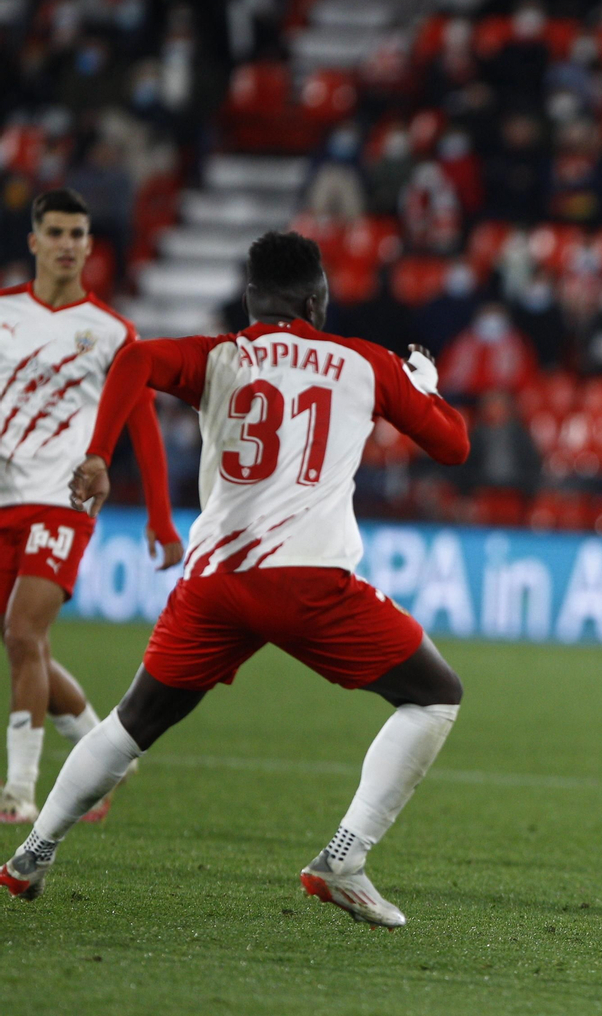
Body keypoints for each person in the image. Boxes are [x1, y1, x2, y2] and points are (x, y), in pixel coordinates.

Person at [0, 231, 471, 931]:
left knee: (133, 722)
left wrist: (98, 453)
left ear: (251, 298)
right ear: (317, 299)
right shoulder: (365, 363)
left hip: (215, 583)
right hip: (311, 583)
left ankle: (32, 855)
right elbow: (454, 446)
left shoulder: (217, 354)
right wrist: (425, 387)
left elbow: (134, 359)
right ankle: (343, 858)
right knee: (434, 696)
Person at [0, 188, 181, 825]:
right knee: (26, 646)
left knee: (23, 634)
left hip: (64, 500)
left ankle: (19, 791)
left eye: (77, 234)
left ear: (89, 246)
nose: (67, 245)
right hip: (4, 499)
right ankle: (106, 752)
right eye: (55, 233)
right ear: (34, 241)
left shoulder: (111, 332)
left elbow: (144, 426)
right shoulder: (4, 313)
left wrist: (161, 517)